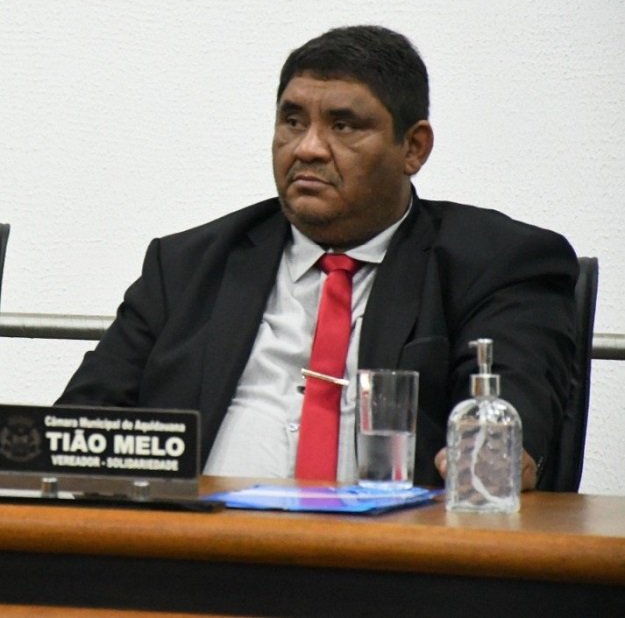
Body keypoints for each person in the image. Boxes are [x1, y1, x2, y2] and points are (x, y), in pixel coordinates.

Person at [56, 25, 578, 489]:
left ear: (413, 147)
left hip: (390, 555)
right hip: (194, 547)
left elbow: (510, 413)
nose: (307, 148)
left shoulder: (497, 263)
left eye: (343, 125)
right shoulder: (187, 265)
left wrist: (495, 454)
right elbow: (79, 430)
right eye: (292, 121)